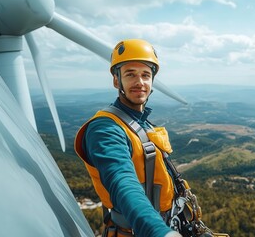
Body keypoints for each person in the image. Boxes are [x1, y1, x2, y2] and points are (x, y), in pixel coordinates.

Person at [74, 39, 182, 237]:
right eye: (130, 74)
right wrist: (158, 232)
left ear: (151, 81)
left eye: (145, 75)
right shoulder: (105, 129)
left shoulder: (140, 123)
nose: (139, 82)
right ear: (117, 81)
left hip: (172, 221)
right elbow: (122, 182)